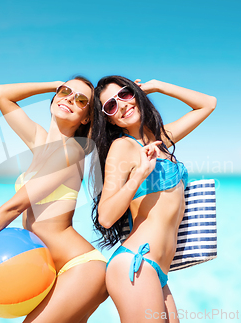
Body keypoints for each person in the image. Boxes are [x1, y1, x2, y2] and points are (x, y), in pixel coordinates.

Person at [0, 77, 108, 323]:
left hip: (80, 267)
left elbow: (15, 206)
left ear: (86, 118)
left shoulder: (71, 151)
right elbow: (1, 93)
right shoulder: (41, 142)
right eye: (66, 92)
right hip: (53, 272)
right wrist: (54, 85)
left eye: (81, 100)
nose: (70, 99)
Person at [91, 76, 216, 322]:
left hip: (157, 271)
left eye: (125, 95)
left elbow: (208, 104)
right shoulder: (122, 147)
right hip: (137, 263)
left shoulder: (162, 138)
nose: (122, 105)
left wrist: (158, 86)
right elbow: (105, 217)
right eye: (111, 106)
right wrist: (138, 176)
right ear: (109, 118)